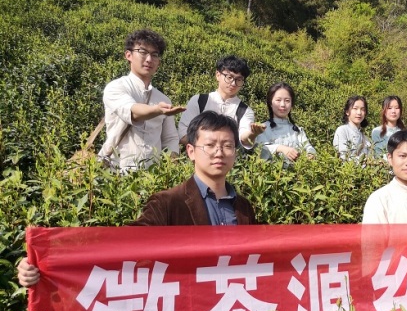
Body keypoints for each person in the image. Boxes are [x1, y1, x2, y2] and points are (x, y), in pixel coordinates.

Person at [17, 111, 256, 287]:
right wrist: (45, 261)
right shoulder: (167, 203)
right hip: (188, 307)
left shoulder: (244, 207)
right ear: (191, 152)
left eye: (227, 146)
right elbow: (125, 247)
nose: (219, 153)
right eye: (210, 145)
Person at [98, 29, 184, 172]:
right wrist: (157, 110)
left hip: (152, 178)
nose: (149, 59)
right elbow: (133, 112)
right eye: (143, 52)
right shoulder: (116, 87)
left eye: (154, 55)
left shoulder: (163, 99)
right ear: (128, 55)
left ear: (159, 62)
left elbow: (170, 138)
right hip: (117, 173)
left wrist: (172, 168)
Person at [178, 55, 264, 148]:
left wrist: (252, 134)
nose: (233, 83)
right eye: (229, 77)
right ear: (218, 75)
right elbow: (182, 134)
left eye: (239, 80)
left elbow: (243, 138)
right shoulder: (199, 101)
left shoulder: (245, 111)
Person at [254, 82, 316, 165]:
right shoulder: (262, 128)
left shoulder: (297, 130)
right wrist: (280, 148)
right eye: (278, 100)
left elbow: (308, 147)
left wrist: (310, 154)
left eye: (287, 101)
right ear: (270, 103)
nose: (283, 105)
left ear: (292, 104)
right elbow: (259, 149)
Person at [333, 95, 371, 161]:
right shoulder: (342, 130)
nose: (359, 113)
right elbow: (343, 157)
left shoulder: (364, 137)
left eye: (362, 109)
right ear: (347, 112)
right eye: (355, 108)